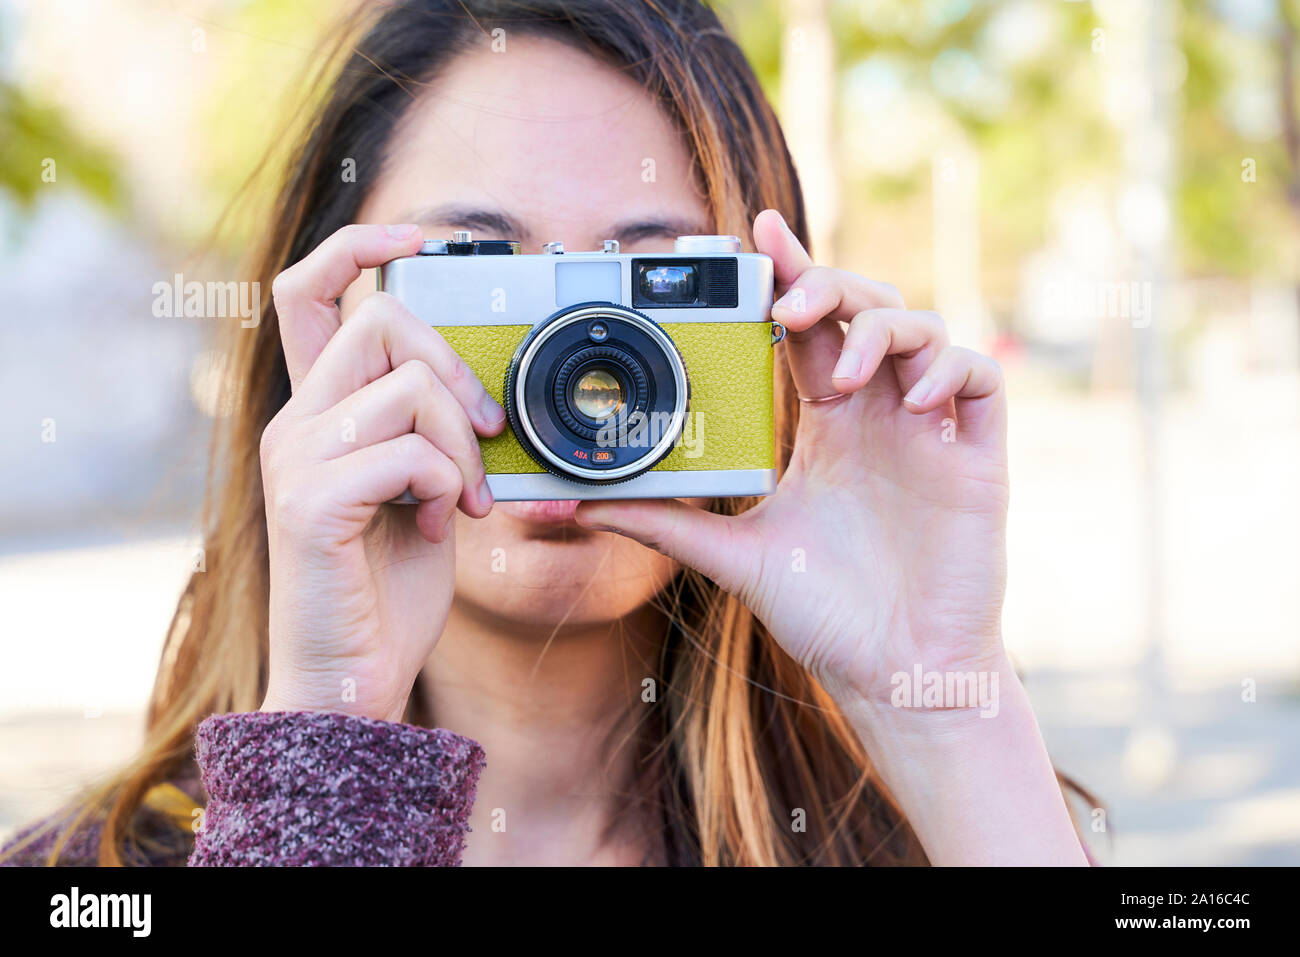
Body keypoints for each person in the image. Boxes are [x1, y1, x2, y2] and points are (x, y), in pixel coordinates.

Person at [3, 0, 1092, 867]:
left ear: (775, 331)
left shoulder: (944, 837)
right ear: (319, 338)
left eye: (647, 283)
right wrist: (324, 757)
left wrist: (939, 699)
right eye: (480, 274)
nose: (578, 368)